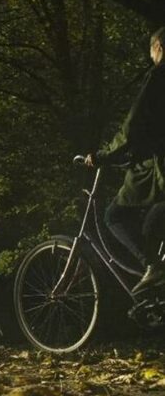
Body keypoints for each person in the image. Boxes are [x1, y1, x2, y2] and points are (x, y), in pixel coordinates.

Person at [85, 27, 165, 295]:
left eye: (151, 51)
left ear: (159, 49)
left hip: (159, 167)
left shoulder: (158, 76)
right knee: (152, 226)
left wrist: (104, 155)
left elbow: (131, 128)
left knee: (114, 216)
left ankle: (153, 268)